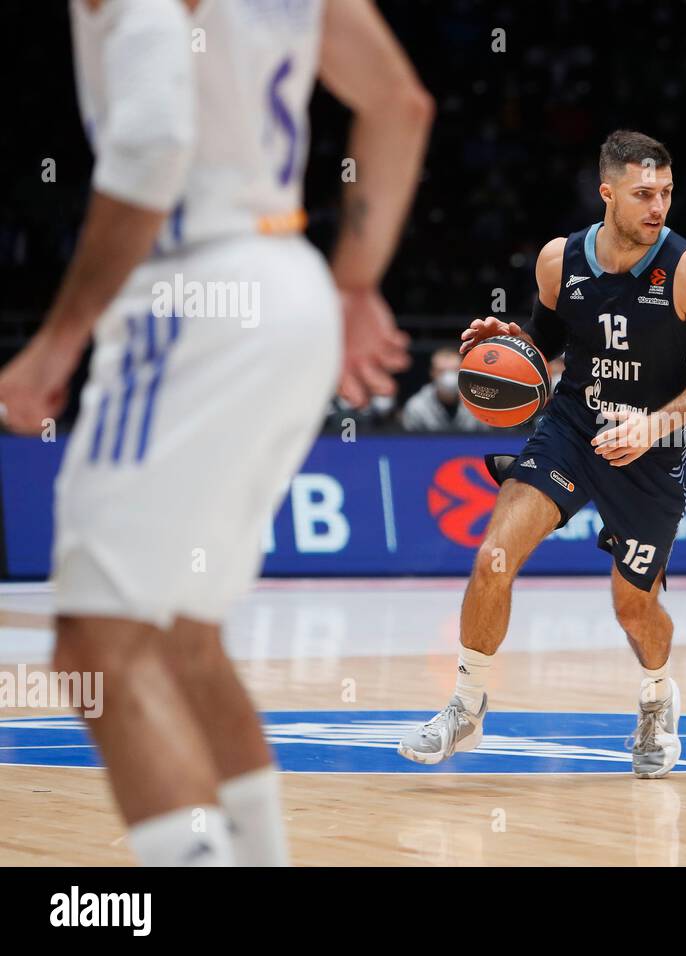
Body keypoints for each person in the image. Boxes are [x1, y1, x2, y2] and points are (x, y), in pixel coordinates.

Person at [0, 0, 429, 865]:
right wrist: (354, 282)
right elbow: (399, 101)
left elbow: (155, 140)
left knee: (95, 637)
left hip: (193, 295)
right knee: (185, 636)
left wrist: (60, 337)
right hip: (289, 279)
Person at [398, 130, 686, 778]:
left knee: (631, 608)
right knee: (492, 558)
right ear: (607, 192)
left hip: (650, 448)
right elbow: (550, 340)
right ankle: (467, 705)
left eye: (666, 193)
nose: (658, 207)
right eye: (644, 194)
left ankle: (656, 697)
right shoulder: (560, 260)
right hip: (574, 428)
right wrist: (514, 344)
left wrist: (653, 426)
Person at [401, 346, 488, 431]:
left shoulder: (478, 404)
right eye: (441, 371)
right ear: (432, 373)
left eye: (454, 370)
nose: (448, 377)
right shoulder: (416, 406)